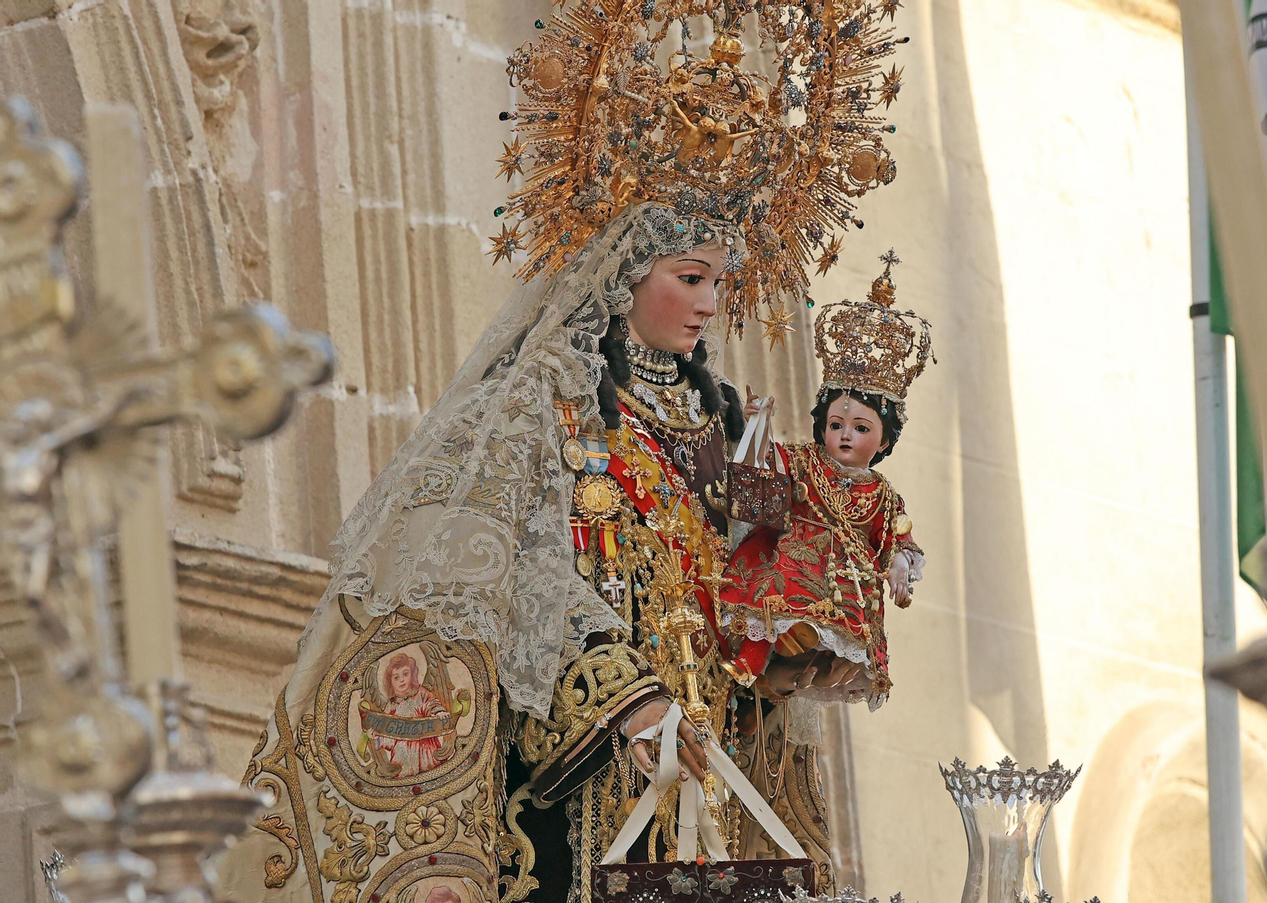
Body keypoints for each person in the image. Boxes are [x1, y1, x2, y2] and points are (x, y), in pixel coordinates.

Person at [218, 5, 906, 903]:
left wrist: (786, 656)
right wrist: (623, 691)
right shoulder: (546, 402)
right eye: (690, 278)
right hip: (587, 784)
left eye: (720, 282)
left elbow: (744, 594)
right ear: (627, 271)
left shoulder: (726, 427)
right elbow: (492, 564)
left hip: (709, 779)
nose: (709, 304)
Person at [720, 252, 931, 711]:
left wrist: (900, 566)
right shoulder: (805, 460)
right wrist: (758, 427)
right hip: (794, 559)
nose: (845, 436)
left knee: (836, 645)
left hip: (849, 584)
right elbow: (770, 471)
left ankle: (807, 673)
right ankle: (751, 663)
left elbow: (898, 541)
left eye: (860, 428)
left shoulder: (884, 495)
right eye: (836, 425)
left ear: (884, 439)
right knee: (771, 597)